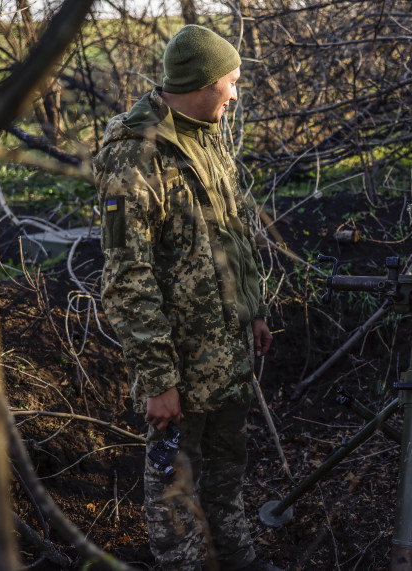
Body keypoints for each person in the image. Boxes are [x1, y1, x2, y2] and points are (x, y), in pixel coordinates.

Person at [93, 24, 279, 571]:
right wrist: (158, 381)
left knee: (226, 473)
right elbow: (127, 278)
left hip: (228, 352)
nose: (237, 94)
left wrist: (255, 307)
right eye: (232, 81)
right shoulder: (134, 157)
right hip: (180, 365)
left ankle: (237, 561)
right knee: (174, 487)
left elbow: (231, 228)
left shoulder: (207, 131)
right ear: (202, 82)